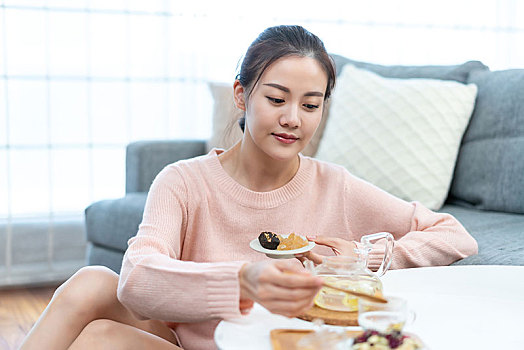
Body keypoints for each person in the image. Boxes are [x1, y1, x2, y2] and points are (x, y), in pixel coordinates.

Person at [20, 25, 477, 350]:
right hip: (183, 342)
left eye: (310, 104)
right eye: (276, 99)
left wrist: (364, 258)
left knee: (99, 340)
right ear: (242, 95)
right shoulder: (183, 181)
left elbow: (454, 234)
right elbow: (136, 281)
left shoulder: (334, 185)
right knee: (92, 282)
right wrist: (243, 279)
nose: (293, 118)